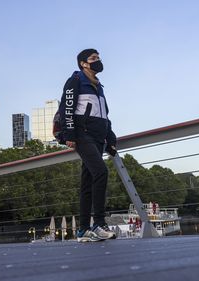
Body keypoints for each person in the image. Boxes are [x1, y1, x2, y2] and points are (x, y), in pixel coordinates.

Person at [59, 49, 117, 242]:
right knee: (101, 172)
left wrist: (111, 139)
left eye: (98, 58)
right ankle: (99, 223)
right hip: (83, 135)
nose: (98, 61)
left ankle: (83, 230)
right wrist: (69, 134)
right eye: (93, 59)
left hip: (99, 138)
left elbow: (104, 115)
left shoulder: (99, 86)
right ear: (83, 63)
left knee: (87, 182)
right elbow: (66, 108)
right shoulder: (75, 80)